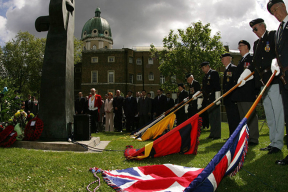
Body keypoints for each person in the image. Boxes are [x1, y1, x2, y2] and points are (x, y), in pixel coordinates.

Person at [250, 17, 284, 154]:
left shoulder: (272, 35)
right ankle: (272, 141)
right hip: (263, 81)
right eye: (252, 30)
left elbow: (278, 52)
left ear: (262, 26)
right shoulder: (256, 43)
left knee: (277, 113)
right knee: (269, 114)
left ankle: (279, 143)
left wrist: (277, 62)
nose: (254, 31)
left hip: (274, 78)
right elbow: (256, 64)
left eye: (255, 28)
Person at [267, 0, 288, 164]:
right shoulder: (279, 30)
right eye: (273, 12)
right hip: (284, 78)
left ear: (284, 6)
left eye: (276, 9)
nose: (276, 13)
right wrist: (276, 62)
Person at [232, 40, 259, 145]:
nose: (239, 48)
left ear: (246, 47)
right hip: (240, 94)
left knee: (250, 116)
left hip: (248, 93)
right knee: (243, 118)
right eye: (238, 46)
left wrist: (256, 90)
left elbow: (254, 75)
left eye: (241, 46)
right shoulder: (241, 61)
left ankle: (253, 138)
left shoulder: (251, 59)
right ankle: (245, 137)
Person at [221, 53, 240, 137]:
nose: (222, 60)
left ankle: (234, 135)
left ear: (229, 58)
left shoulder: (233, 68)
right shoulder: (226, 69)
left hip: (232, 97)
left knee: (234, 117)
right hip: (228, 98)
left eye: (223, 58)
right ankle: (231, 135)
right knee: (230, 118)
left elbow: (235, 83)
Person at [200, 61, 221, 139]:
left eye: (203, 67)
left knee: (216, 117)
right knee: (211, 117)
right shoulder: (205, 76)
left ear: (208, 66)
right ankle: (212, 133)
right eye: (202, 68)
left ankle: (217, 134)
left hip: (213, 98)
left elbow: (217, 86)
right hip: (208, 99)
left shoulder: (214, 73)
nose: (203, 69)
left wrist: (217, 98)